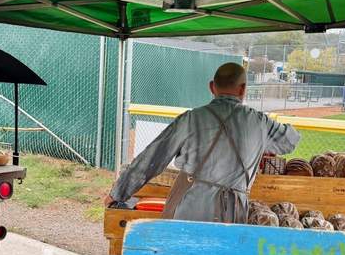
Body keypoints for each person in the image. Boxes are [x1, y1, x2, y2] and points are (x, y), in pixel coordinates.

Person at [104, 62, 300, 223]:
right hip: (232, 215)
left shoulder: (190, 119)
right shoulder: (260, 122)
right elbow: (290, 141)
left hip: (188, 208)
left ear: (212, 87)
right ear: (243, 89)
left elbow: (151, 159)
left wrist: (118, 193)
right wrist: (261, 144)